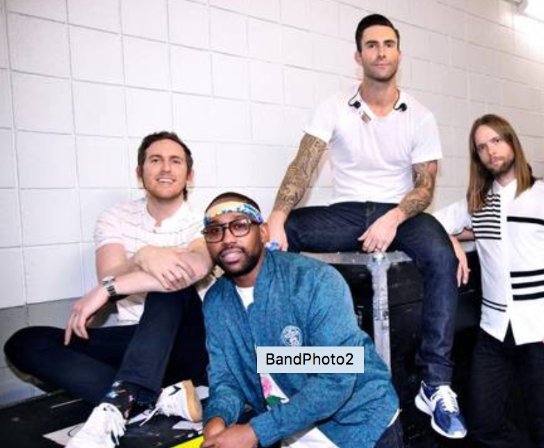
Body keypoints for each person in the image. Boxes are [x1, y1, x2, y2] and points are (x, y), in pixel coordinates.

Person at [264, 13, 465, 438]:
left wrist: (394, 218)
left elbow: (424, 187)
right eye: (371, 45)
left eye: (388, 44)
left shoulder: (420, 115)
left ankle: (436, 382)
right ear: (358, 56)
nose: (380, 52)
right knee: (283, 236)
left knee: (441, 255)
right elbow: (302, 166)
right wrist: (278, 217)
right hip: (348, 212)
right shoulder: (334, 106)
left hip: (401, 212)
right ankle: (287, 364)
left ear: (399, 54)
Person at [4, 131, 212, 448]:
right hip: (134, 344)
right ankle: (150, 399)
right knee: (25, 342)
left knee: (170, 283)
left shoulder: (203, 222)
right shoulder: (116, 217)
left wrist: (116, 284)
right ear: (140, 172)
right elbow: (109, 274)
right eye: (155, 160)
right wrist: (143, 256)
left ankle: (121, 400)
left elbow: (189, 270)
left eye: (175, 161)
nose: (165, 168)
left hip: (188, 345)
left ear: (189, 175)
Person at [200, 192, 401, 448]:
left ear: (263, 232)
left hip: (359, 427)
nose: (227, 239)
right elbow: (226, 378)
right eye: (215, 231)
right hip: (292, 433)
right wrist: (216, 419)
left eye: (239, 226)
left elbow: (336, 376)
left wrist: (255, 431)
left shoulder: (313, 280)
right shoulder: (216, 302)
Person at [435, 114, 544, 448]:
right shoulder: (477, 202)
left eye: (496, 141)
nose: (491, 151)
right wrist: (452, 240)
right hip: (493, 332)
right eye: (482, 147)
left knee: (543, 430)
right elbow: (431, 224)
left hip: (542, 333)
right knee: (483, 425)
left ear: (512, 143)